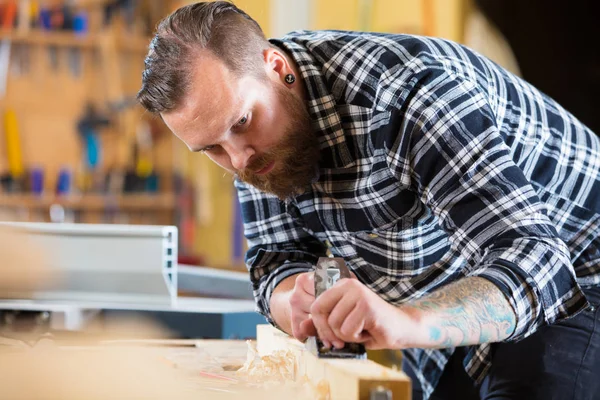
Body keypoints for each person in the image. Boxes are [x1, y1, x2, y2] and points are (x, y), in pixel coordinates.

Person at [137, 2, 600, 399]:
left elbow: (538, 262)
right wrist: (292, 300)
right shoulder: (249, 135)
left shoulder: (403, 96)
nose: (238, 159)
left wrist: (406, 321)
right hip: (461, 276)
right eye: (212, 148)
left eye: (241, 123)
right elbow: (277, 258)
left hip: (577, 267)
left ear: (277, 68)